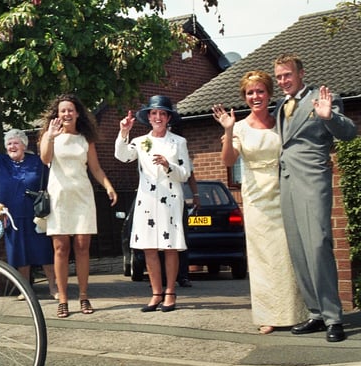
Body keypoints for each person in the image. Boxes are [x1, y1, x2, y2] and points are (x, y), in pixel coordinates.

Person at [212, 70, 309, 334]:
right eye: (250, 93)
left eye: (260, 91)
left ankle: (296, 313)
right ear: (244, 97)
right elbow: (228, 161)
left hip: (284, 191)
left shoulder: (281, 121)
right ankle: (267, 315)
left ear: (269, 93)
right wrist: (229, 130)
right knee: (262, 257)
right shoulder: (239, 127)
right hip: (256, 197)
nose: (256, 96)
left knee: (288, 254)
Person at [272, 53, 357, 342]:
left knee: (318, 244)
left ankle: (334, 318)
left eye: (288, 75)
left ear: (301, 73)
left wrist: (329, 116)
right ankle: (316, 313)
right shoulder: (281, 104)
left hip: (312, 179)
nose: (283, 81)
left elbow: (349, 133)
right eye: (279, 76)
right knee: (298, 249)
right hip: (286, 181)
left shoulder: (322, 98)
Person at [38, 93, 117, 318]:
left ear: (77, 113)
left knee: (82, 247)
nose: (66, 114)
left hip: (82, 198)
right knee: (61, 248)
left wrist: (109, 186)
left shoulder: (85, 139)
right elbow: (45, 159)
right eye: (62, 110)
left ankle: (83, 296)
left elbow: (96, 169)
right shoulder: (49, 135)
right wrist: (51, 137)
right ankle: (63, 299)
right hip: (59, 199)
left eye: (70, 110)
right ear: (57, 114)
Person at [115, 95, 190, 313]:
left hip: (171, 198)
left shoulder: (178, 142)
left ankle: (170, 292)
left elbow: (185, 173)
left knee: (170, 247)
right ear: (148, 117)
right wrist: (124, 132)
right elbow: (122, 156)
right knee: (148, 248)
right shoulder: (139, 142)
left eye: (162, 113)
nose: (158, 117)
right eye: (154, 113)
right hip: (147, 199)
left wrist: (169, 166)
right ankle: (156, 293)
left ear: (168, 118)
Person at [0, 125, 58, 300]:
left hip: (36, 216)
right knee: (20, 254)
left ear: (24, 145)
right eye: (9, 143)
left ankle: (54, 288)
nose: (11, 146)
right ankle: (25, 290)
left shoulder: (37, 162)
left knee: (44, 252)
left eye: (15, 143)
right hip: (11, 217)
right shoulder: (1, 162)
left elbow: (51, 181)